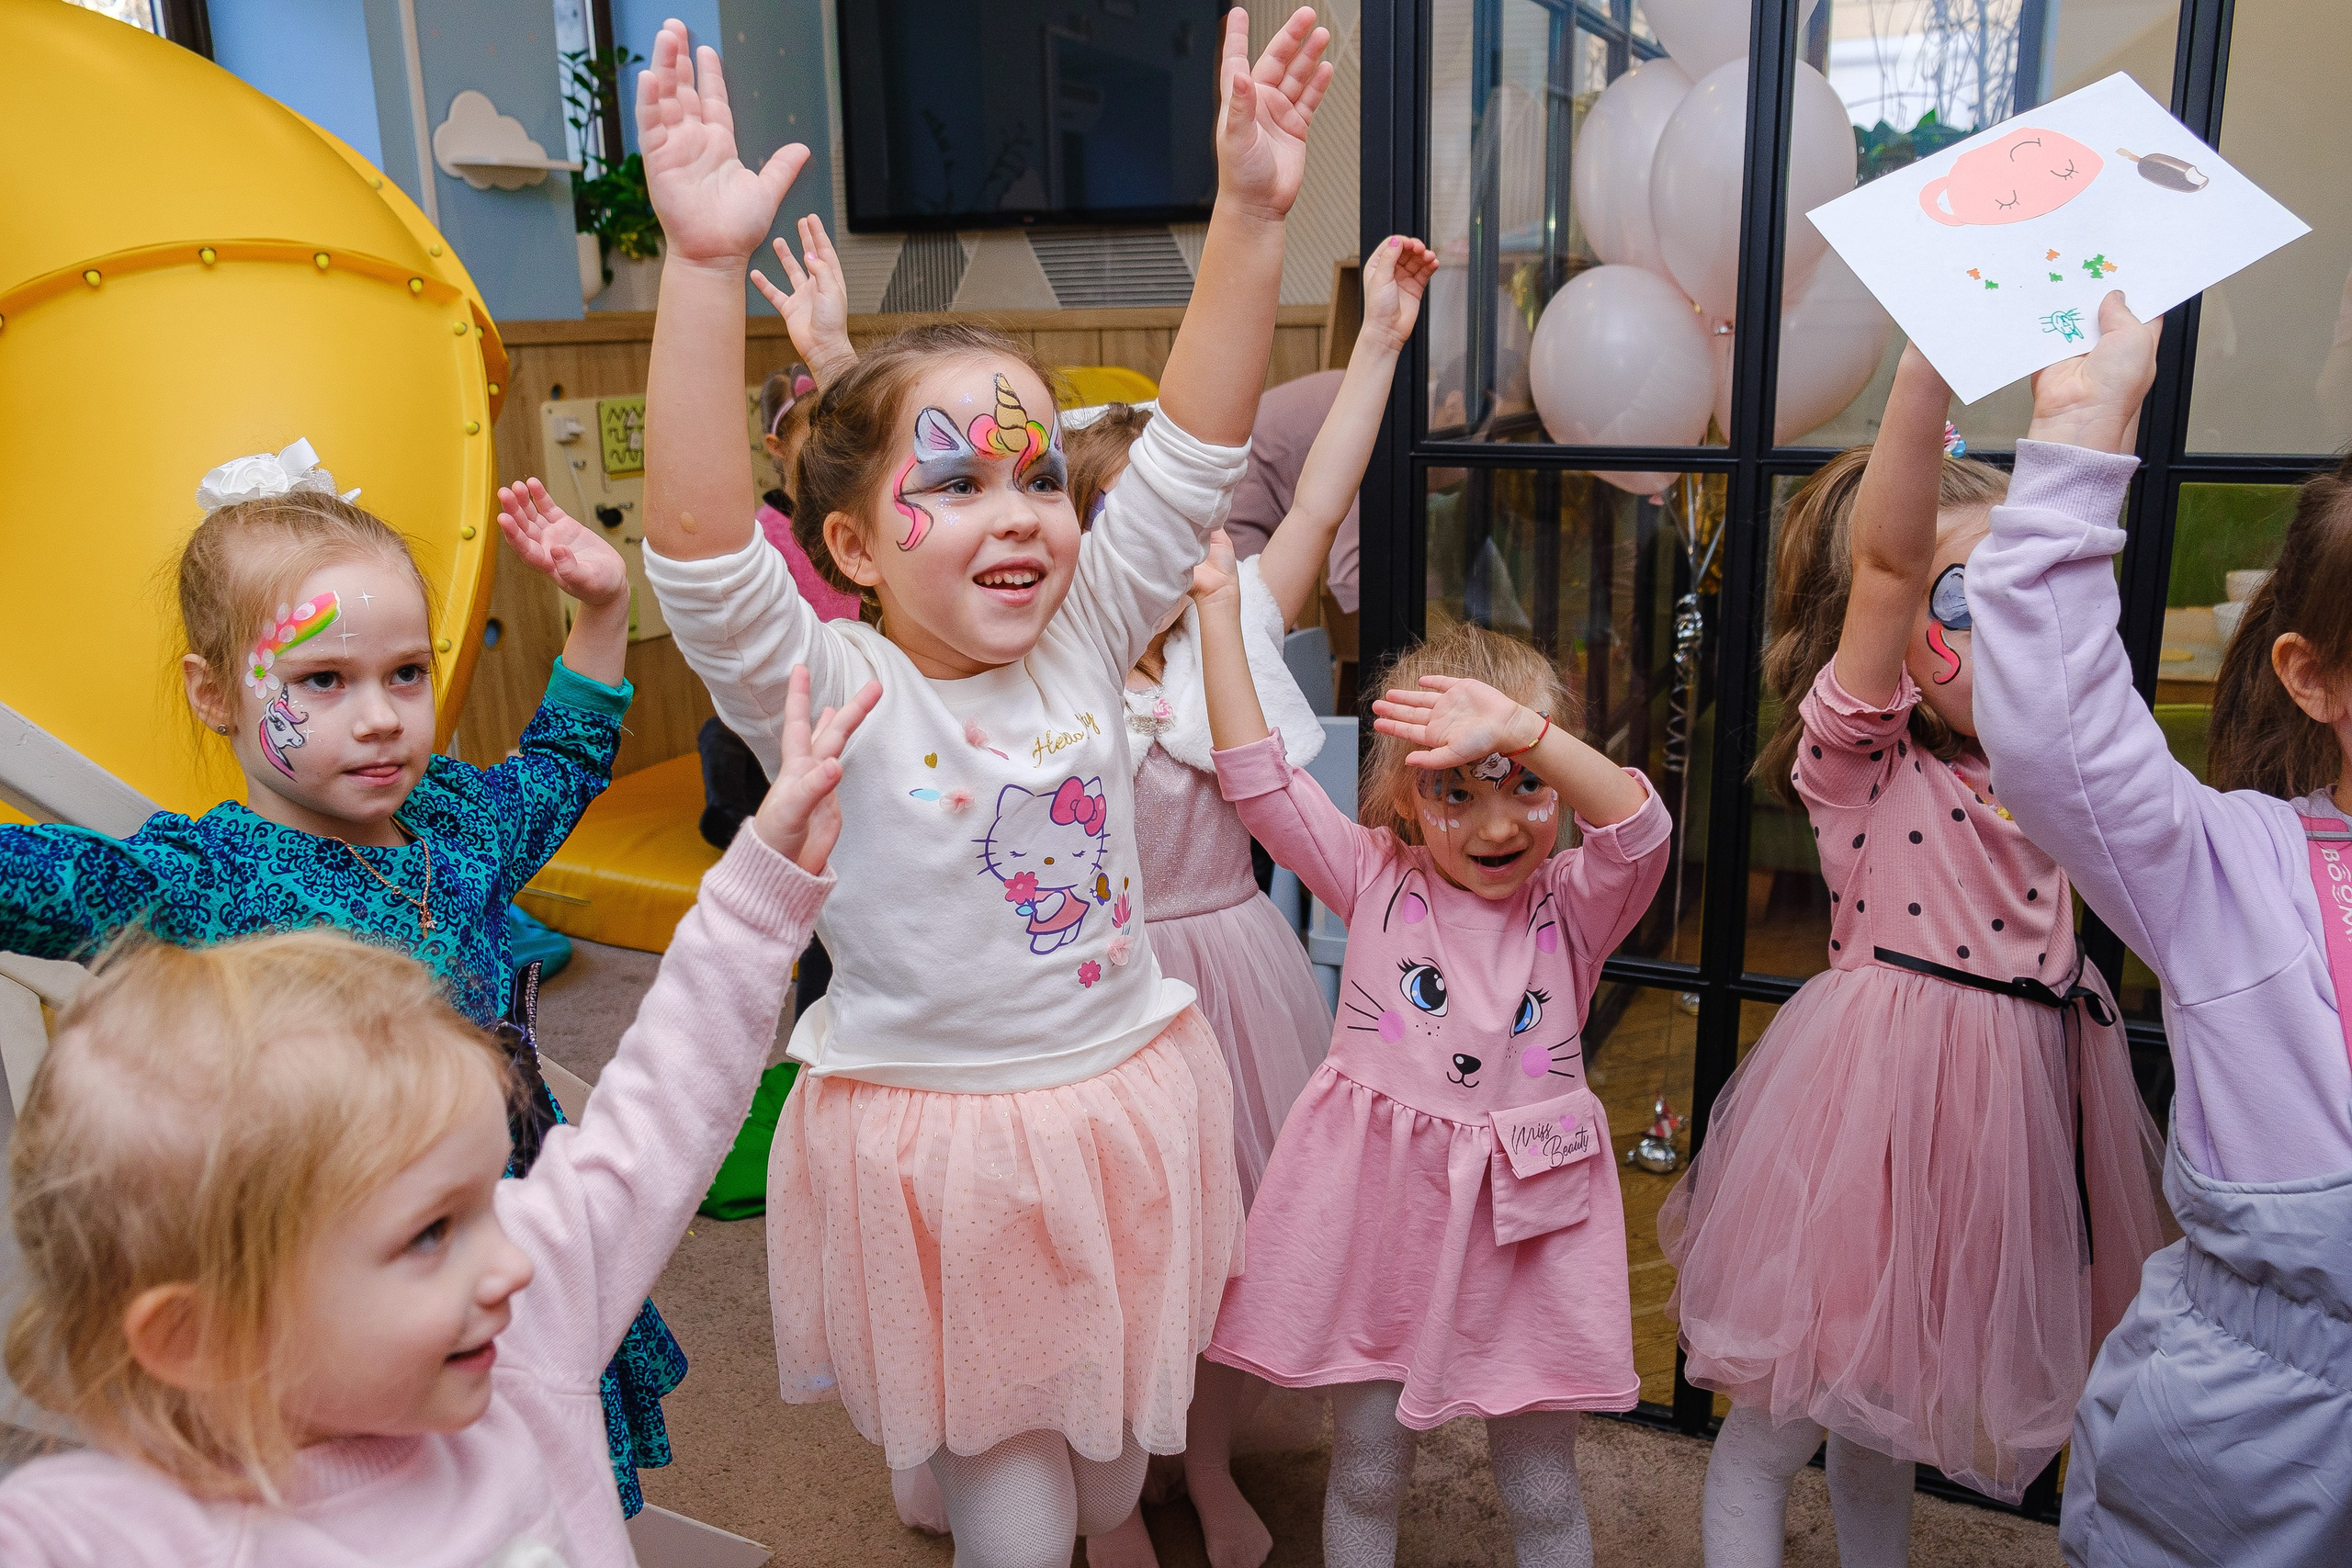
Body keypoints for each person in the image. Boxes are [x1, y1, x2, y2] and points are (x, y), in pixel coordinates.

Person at [629, 12, 1334, 1564]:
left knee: (1109, 1473)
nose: (1015, 512)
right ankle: (958, 1468)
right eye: (952, 483)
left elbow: (1193, 450)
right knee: (1023, 1513)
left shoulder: (1087, 630)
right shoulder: (833, 687)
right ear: (855, 548)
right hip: (944, 1145)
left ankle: (979, 1474)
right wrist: (698, 268)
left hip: (1120, 1103)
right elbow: (697, 552)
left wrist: (1251, 213)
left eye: (1034, 475)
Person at [0, 666, 869, 1565]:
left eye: (487, 1200)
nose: (512, 1263)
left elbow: (651, 1121)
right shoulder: (97, 1536)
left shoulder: (524, 1322)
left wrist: (759, 897)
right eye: (429, 1233)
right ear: (199, 1336)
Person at [0, 445, 707, 1517]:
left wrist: (603, 608)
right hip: (354, 1262)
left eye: (405, 674)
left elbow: (563, 759)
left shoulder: (459, 827)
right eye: (322, 681)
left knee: (546, 1471)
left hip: (511, 1220)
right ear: (214, 693)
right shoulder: (209, 877)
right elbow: (45, 881)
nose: (380, 717)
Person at [1658, 344, 2170, 1563]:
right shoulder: (1861, 765)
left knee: (1889, 1410)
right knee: (1781, 1424)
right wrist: (1924, 378)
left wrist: (2105, 406)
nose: (2010, 633)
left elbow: (2074, 578)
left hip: (2006, 1120)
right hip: (1871, 1122)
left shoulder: (2057, 767)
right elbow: (1890, 562)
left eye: (2023, 601)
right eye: (1964, 604)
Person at [1033, 235, 1430, 1568]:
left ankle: (1203, 1466)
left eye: (1185, 526)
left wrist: (1376, 342)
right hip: (1100, 986)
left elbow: (1318, 496)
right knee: (1108, 1258)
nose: (1168, 552)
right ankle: (1107, 1490)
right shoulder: (1044, 667)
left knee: (1230, 1250)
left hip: (1233, 974)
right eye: (1129, 527)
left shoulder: (1239, 619)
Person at [1195, 526, 1671, 1568]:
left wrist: (1525, 728)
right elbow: (1256, 781)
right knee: (1368, 1469)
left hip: (1526, 1230)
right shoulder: (1373, 876)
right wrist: (1218, 617)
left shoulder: (1573, 903)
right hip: (1384, 1221)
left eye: (1524, 783)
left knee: (1541, 1485)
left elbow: (1639, 828)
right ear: (1405, 797)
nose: (1498, 824)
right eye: (1457, 790)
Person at [1968, 291, 2352, 1564]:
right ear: (2314, 677)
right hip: (2253, 1415)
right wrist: (2081, 436)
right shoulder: (2236, 869)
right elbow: (2058, 738)